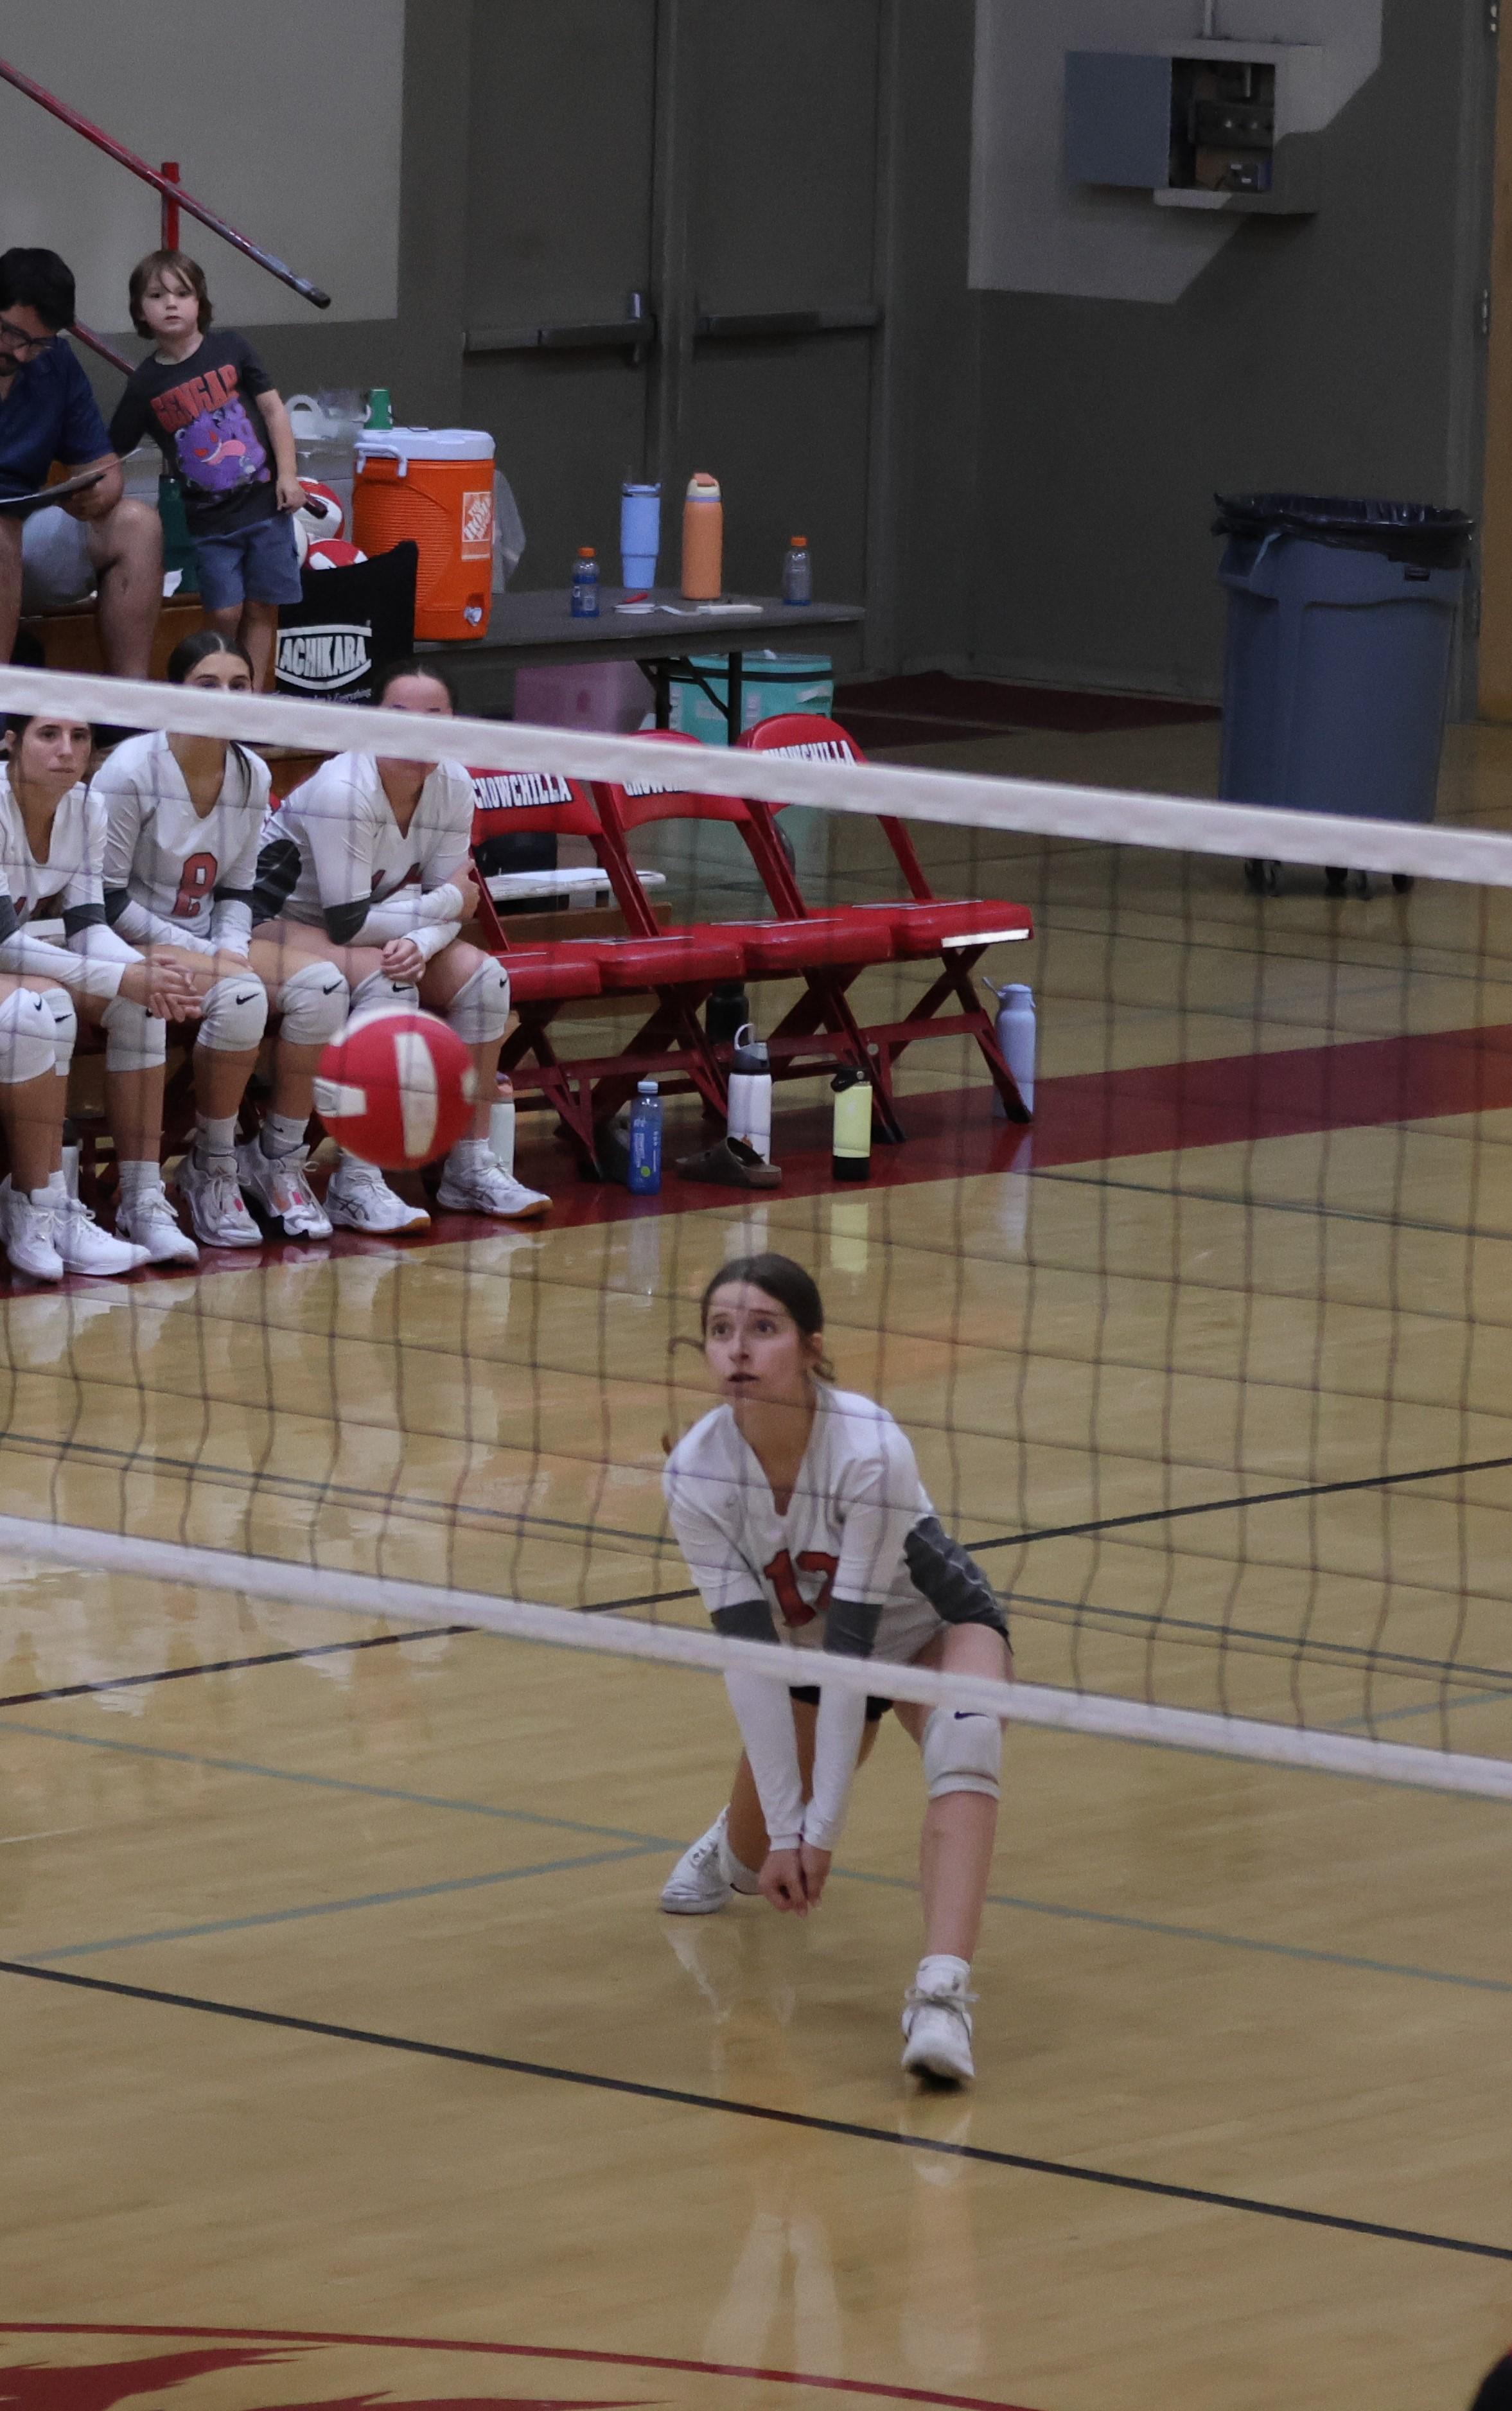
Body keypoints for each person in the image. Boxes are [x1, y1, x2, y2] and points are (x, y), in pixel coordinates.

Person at [659, 1253, 1012, 2086]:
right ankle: (731, 1838)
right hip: (810, 1653)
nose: (737, 1349)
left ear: (812, 1348)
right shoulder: (697, 1472)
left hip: (932, 1628)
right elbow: (750, 1660)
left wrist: (820, 1837)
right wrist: (784, 1834)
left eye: (762, 1328)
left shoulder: (867, 1447)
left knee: (968, 1740)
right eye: (719, 1330)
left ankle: (940, 1996)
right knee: (754, 1872)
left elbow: (858, 1648)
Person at [250, 657, 550, 1233]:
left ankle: (469, 1166)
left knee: (487, 981)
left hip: (377, 920)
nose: (418, 728)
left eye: (434, 715)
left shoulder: (454, 783)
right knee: (390, 978)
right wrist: (440, 913)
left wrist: (425, 930)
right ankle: (358, 1180)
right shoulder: (343, 788)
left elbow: (448, 901)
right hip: (275, 923)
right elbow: (352, 923)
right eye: (400, 714)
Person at [93, 629, 348, 1257]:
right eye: (208, 685)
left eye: (239, 684)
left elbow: (236, 888)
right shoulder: (130, 771)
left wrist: (229, 944)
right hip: (127, 940)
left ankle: (278, 1159)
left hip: (206, 942)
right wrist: (204, 953)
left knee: (324, 987)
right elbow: (105, 901)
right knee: (238, 996)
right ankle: (212, 1165)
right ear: (174, 694)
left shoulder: (251, 772)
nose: (226, 697)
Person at [0, 709, 200, 1278]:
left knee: (142, 1004)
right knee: (36, 1010)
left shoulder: (88, 806)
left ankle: (141, 1200)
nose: (67, 749)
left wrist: (146, 973)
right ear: (11, 744)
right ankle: (36, 1211)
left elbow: (87, 925)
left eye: (80, 736)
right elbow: (4, 943)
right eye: (48, 734)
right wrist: (124, 975)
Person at [107, 250, 302, 690]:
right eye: (157, 295)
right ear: (140, 311)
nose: (171, 303)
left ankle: (249, 698)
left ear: (201, 302)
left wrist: (289, 475)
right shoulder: (144, 385)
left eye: (182, 292)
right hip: (210, 524)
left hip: (266, 509)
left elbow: (273, 410)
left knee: (262, 607)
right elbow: (111, 449)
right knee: (225, 610)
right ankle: (216, 685)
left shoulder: (232, 348)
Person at [0, 247, 163, 679]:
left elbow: (104, 466)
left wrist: (95, 492)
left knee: (138, 525)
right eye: (9, 333)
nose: (19, 354)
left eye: (37, 343)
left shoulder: (56, 364)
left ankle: (130, 714)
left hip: (23, 535)